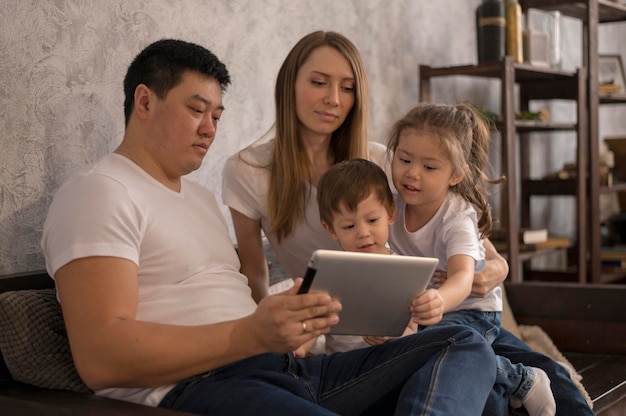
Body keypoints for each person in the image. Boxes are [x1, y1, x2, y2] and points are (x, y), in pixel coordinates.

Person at [41, 38, 498, 416]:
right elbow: (101, 358)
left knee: (462, 343)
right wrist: (253, 333)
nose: (209, 129)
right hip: (200, 387)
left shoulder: (198, 199)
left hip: (285, 369)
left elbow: (447, 221)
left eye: (217, 116)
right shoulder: (99, 191)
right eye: (197, 110)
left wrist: (290, 327)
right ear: (145, 101)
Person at [223, 30, 595, 416]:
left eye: (347, 88)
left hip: (433, 311)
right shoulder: (248, 171)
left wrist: (497, 268)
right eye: (318, 82)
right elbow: (254, 277)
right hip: (366, 325)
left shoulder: (385, 161)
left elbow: (476, 245)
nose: (333, 99)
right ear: (289, 84)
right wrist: (269, 339)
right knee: (476, 379)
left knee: (549, 370)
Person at [386, 103, 555, 416]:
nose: (411, 173)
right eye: (404, 159)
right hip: (427, 314)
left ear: (456, 175)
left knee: (437, 348)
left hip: (472, 311)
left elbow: (464, 276)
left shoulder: (456, 216)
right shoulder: (391, 206)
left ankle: (520, 378)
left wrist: (439, 299)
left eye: (429, 167)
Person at [316, 158, 417, 354]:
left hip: (389, 359)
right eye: (349, 226)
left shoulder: (404, 271)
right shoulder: (330, 273)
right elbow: (313, 325)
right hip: (341, 365)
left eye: (372, 220)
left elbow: (412, 331)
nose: (362, 233)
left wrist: (390, 335)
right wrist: (297, 348)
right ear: (330, 229)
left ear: (390, 213)